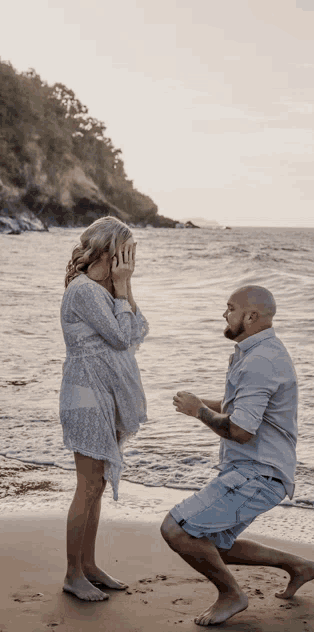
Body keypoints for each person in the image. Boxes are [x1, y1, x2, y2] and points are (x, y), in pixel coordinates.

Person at [161, 285, 314, 626]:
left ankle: (232, 594)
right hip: (257, 470)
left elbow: (240, 431)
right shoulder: (256, 352)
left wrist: (197, 412)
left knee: (177, 529)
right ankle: (298, 566)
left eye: (230, 308)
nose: (224, 314)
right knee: (210, 543)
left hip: (258, 473)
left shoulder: (260, 361)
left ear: (251, 316)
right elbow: (243, 410)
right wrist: (201, 405)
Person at [59, 216, 149, 602]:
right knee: (88, 483)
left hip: (105, 392)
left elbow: (139, 329)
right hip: (85, 393)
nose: (129, 261)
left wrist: (121, 289)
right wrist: (123, 286)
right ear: (110, 251)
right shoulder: (84, 291)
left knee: (96, 486)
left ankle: (90, 566)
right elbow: (119, 336)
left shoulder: (104, 290)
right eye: (126, 252)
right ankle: (72, 574)